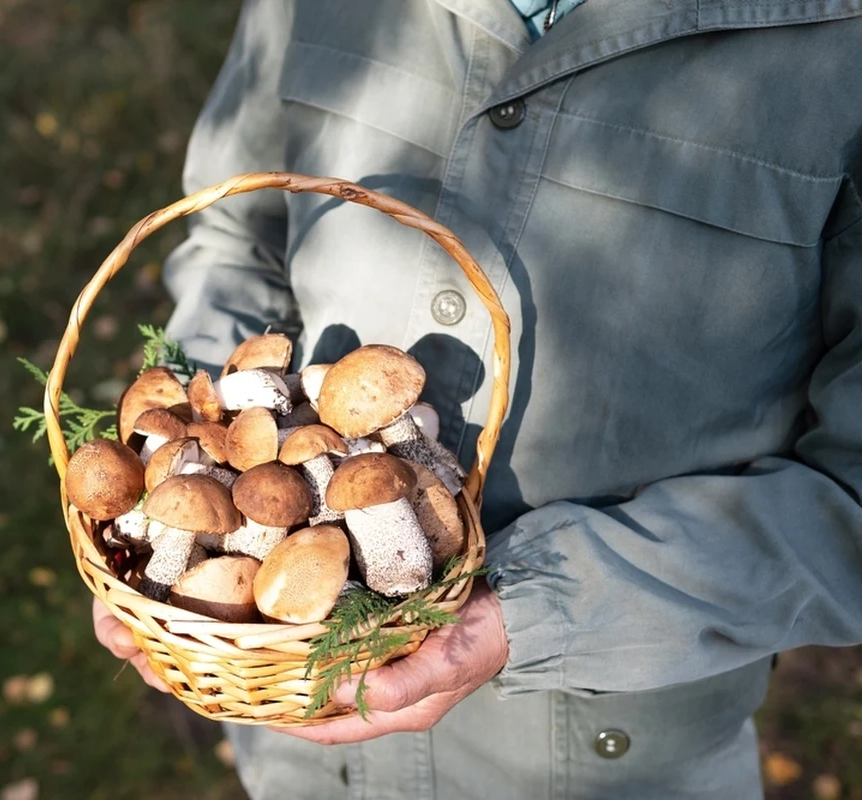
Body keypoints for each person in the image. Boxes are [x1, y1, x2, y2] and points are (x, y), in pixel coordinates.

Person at [93, 0, 862, 797]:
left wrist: (530, 610)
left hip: (615, 754)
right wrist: (173, 487)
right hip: (304, 751)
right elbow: (234, 236)